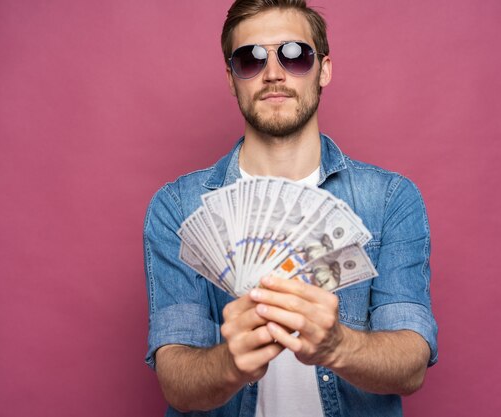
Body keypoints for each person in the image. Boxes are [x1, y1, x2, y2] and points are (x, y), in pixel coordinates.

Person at [143, 0, 438, 415]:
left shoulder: (391, 200)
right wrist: (230, 363)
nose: (274, 73)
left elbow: (411, 366)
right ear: (231, 79)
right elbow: (177, 384)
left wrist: (338, 345)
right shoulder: (177, 209)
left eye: (295, 55)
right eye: (250, 59)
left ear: (325, 69)